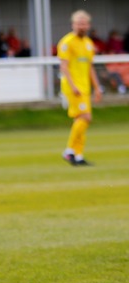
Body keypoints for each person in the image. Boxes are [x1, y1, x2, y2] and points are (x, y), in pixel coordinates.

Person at [58, 10, 103, 166]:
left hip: (84, 87)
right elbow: (64, 67)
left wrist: (97, 88)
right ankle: (69, 150)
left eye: (84, 24)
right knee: (86, 118)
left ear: (88, 25)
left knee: (81, 120)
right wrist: (73, 85)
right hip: (73, 87)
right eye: (78, 24)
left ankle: (78, 156)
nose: (81, 26)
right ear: (73, 25)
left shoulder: (89, 44)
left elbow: (90, 68)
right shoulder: (66, 42)